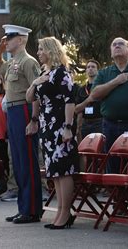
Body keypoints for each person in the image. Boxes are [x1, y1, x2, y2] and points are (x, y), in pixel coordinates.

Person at [26, 37, 79, 229]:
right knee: (55, 172)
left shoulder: (61, 73)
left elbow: (69, 100)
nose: (38, 52)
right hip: (46, 128)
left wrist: (67, 126)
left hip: (60, 127)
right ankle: (60, 212)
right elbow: (30, 97)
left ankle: (66, 213)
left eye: (41, 49)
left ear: (51, 50)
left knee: (63, 171)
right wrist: (35, 82)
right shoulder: (44, 72)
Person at [0, 24, 42, 224]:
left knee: (28, 162)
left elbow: (37, 92)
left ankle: (32, 209)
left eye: (10, 37)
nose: (7, 41)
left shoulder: (28, 62)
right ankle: (23, 206)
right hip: (12, 111)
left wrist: (33, 119)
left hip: (24, 109)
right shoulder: (13, 62)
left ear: (21, 39)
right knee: (18, 162)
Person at [89, 38, 128, 173]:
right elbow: (94, 95)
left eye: (121, 44)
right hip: (109, 125)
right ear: (111, 53)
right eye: (114, 44)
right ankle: (115, 194)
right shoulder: (104, 73)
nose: (117, 46)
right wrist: (116, 81)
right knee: (112, 166)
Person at [75, 60, 102, 142]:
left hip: (99, 122)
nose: (90, 69)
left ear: (98, 70)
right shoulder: (82, 89)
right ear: (86, 70)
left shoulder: (102, 87)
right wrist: (88, 101)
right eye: (88, 67)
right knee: (86, 150)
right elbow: (76, 109)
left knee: (99, 150)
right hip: (85, 124)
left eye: (93, 67)